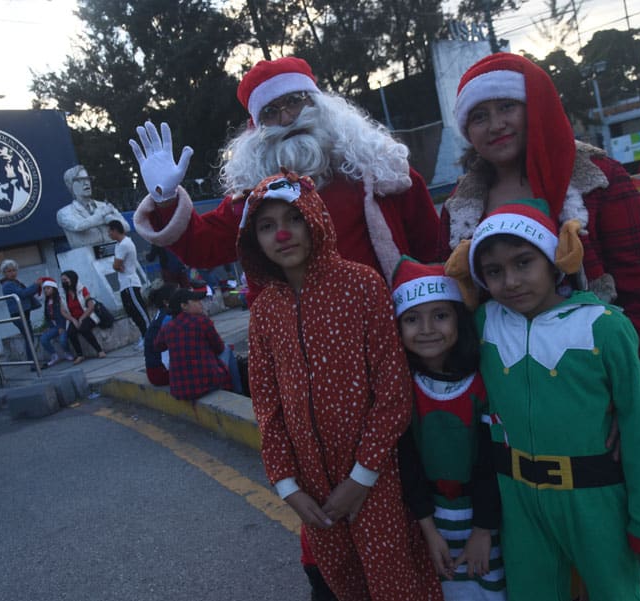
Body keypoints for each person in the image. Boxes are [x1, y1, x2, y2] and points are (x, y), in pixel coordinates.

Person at [452, 198, 640, 599]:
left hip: (596, 501)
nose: (512, 281)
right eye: (494, 272)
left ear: (556, 260)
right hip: (518, 505)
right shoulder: (485, 323)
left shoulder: (604, 326)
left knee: (614, 594)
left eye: (524, 262)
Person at [237, 172, 442, 601]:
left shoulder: (362, 285)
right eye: (267, 225)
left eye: (293, 217)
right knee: (346, 588)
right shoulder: (264, 313)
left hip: (376, 481)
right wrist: (287, 486)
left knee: (398, 586)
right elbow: (267, 407)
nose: (283, 233)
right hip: (312, 494)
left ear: (315, 218)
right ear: (255, 239)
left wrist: (362, 478)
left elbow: (392, 393)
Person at [129, 56, 441, 303]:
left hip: (390, 335)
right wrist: (165, 197)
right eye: (271, 111)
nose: (287, 118)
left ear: (319, 105)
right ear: (257, 129)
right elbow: (203, 246)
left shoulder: (381, 174)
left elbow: (432, 252)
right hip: (302, 354)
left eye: (295, 100)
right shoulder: (251, 201)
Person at [441, 52, 640, 380]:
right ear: (467, 131)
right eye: (479, 116)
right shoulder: (459, 206)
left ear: (535, 107)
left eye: (507, 106)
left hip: (596, 376)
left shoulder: (601, 179)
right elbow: (455, 306)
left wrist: (628, 389)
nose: (495, 125)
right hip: (509, 386)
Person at [391, 257, 506, 600]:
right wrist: (428, 528)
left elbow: (492, 460)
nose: (426, 329)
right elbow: (406, 462)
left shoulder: (481, 383)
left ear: (460, 319)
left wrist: (483, 531)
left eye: (440, 315)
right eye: (412, 319)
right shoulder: (400, 389)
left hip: (484, 520)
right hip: (429, 520)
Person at [153, 287, 232, 401]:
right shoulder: (201, 321)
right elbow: (219, 348)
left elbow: (158, 346)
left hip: (179, 389)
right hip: (206, 384)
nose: (200, 303)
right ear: (183, 306)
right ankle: (236, 391)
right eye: (195, 301)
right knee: (227, 349)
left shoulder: (168, 327)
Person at [56, 164, 131, 248]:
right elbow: (79, 226)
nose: (86, 182)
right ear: (70, 184)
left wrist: (109, 219)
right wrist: (101, 215)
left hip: (116, 253)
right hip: (86, 257)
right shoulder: (64, 212)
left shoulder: (104, 206)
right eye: (80, 179)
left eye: (88, 178)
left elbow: (126, 227)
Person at [108, 219, 151, 346]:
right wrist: (116, 265)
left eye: (110, 231)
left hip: (131, 283)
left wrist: (116, 266)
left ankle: (149, 335)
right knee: (131, 312)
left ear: (115, 230)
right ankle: (144, 335)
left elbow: (116, 265)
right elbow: (116, 265)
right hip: (124, 284)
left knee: (140, 310)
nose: (109, 234)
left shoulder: (125, 244)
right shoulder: (118, 245)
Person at [0, 259, 41, 366]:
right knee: (29, 338)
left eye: (14, 270)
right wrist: (35, 285)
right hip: (18, 314)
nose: (12, 273)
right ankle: (33, 364)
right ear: (4, 273)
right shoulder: (8, 285)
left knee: (29, 337)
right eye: (9, 271)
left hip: (24, 313)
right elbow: (22, 294)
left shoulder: (15, 282)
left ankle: (33, 362)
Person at [59, 270, 106, 365]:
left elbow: (91, 306)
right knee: (71, 332)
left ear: (72, 279)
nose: (64, 282)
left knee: (84, 328)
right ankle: (80, 355)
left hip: (87, 315)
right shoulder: (63, 294)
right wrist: (73, 320)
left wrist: (81, 318)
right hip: (74, 318)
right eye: (62, 280)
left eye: (65, 280)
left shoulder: (82, 289)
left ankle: (99, 350)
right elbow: (63, 311)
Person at [144, 283, 176, 386]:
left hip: (155, 371)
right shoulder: (168, 318)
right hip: (161, 373)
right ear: (166, 302)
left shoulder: (162, 315)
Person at [38, 279, 74, 368]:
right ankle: (54, 355)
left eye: (48, 288)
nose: (46, 290)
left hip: (63, 325)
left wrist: (62, 327)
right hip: (54, 326)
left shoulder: (59, 299)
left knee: (63, 340)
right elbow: (47, 316)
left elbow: (62, 314)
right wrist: (49, 326)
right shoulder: (47, 302)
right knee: (43, 339)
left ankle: (67, 352)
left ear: (54, 289)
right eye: (45, 289)